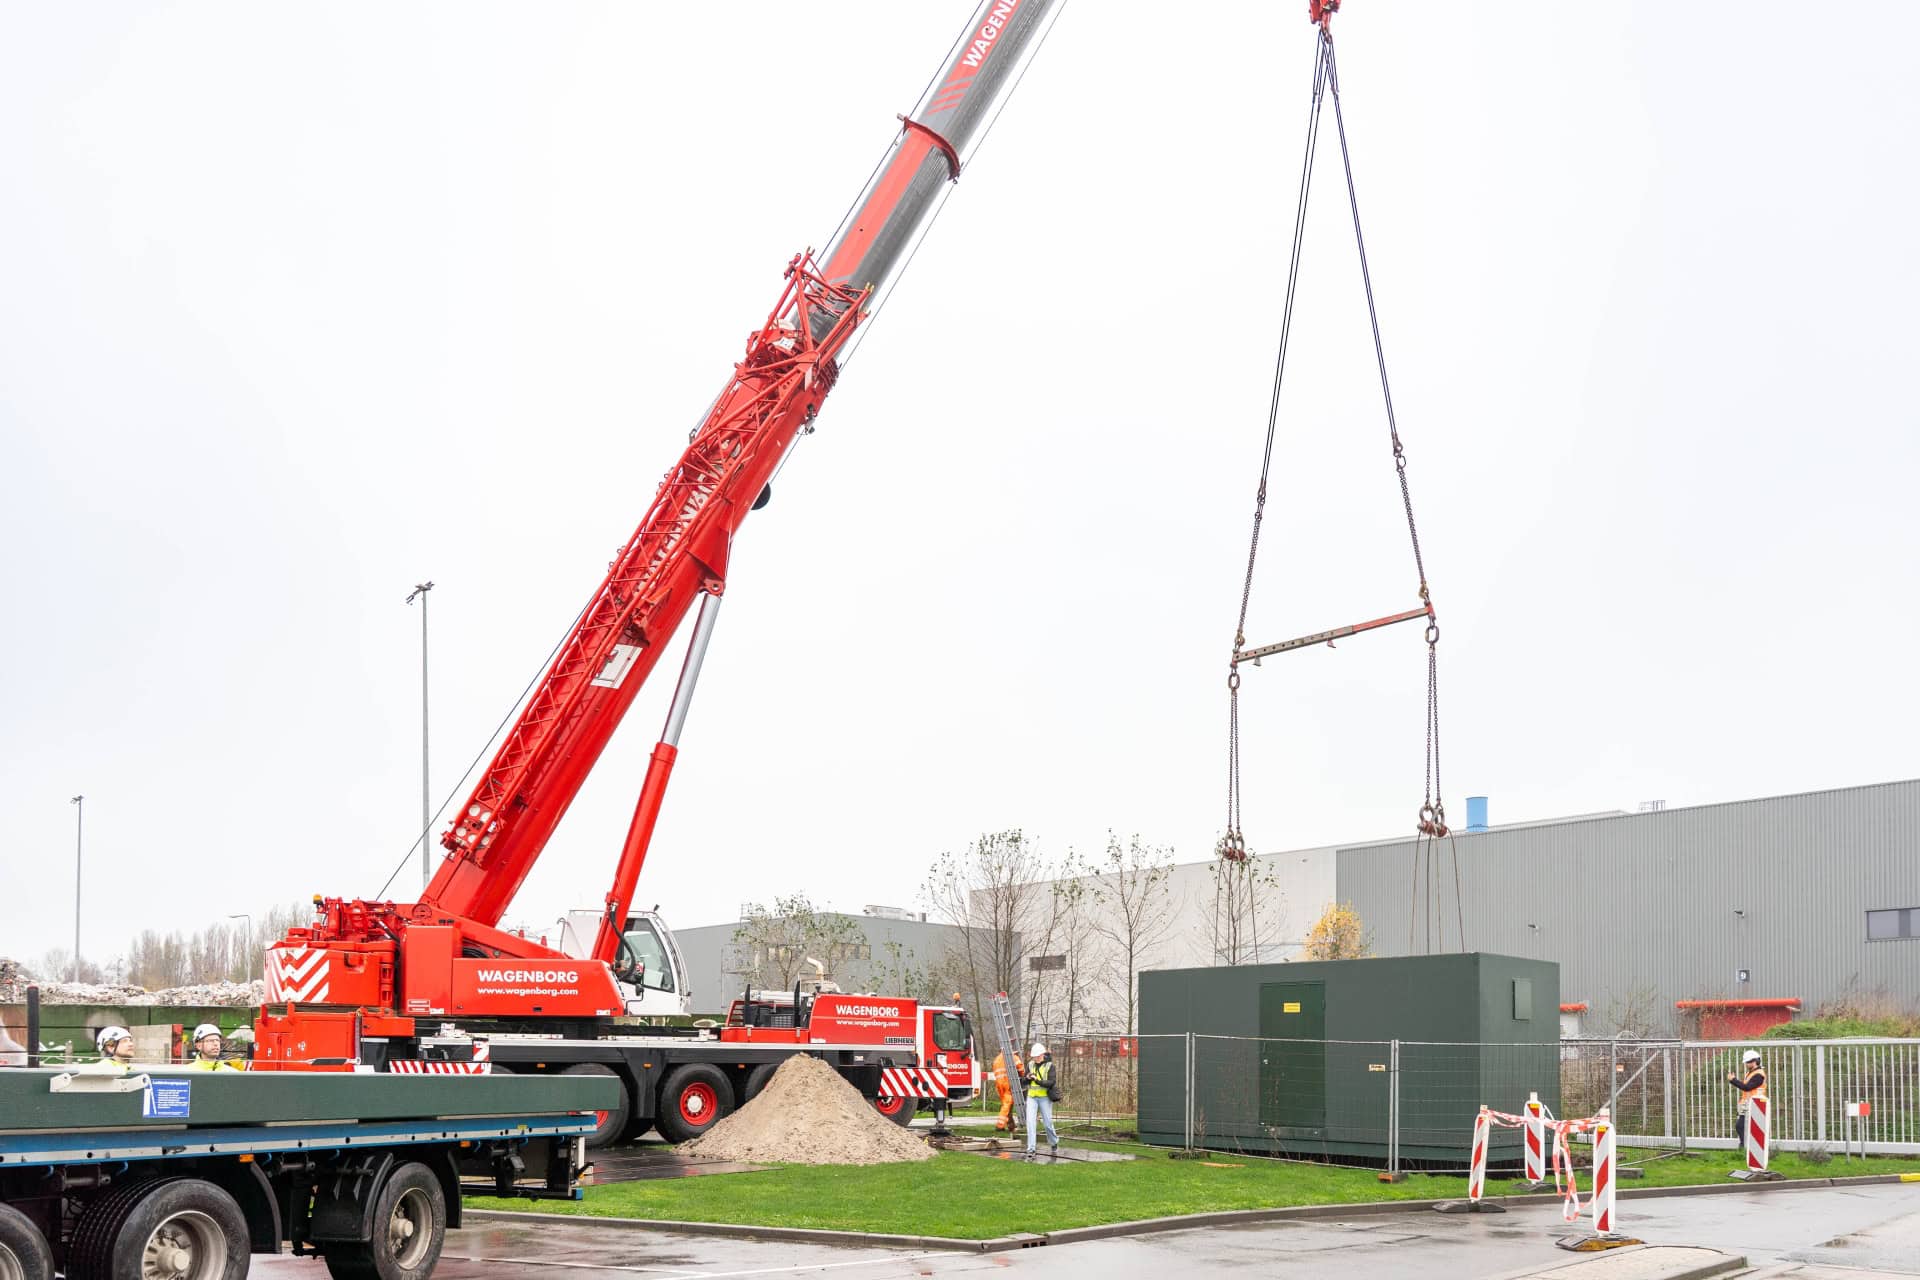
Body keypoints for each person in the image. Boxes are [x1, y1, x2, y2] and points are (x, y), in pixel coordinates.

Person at [1020, 1041, 1060, 1160]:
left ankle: (1054, 1142)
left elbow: (1051, 1082)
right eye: (1034, 1056)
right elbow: (1023, 1081)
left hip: (1044, 1098)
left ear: (1042, 1054)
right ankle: (1031, 1149)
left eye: (1037, 1056)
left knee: (1048, 1123)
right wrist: (1027, 1078)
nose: (1035, 1058)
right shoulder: (1030, 1064)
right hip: (1032, 1097)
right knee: (1030, 1123)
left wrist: (1037, 1080)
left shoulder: (1050, 1066)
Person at [1725, 1048, 1767, 1148]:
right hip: (1748, 1104)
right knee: (1741, 1126)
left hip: (1756, 1104)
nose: (1746, 1064)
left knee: (1742, 1126)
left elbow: (1747, 1087)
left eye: (1748, 1062)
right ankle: (1745, 1146)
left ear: (1754, 1061)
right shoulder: (1751, 1073)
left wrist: (1733, 1080)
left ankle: (1745, 1146)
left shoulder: (1759, 1075)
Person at [990, 1050, 1025, 1133]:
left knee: (1006, 1105)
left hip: (999, 1084)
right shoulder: (1013, 1057)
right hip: (1008, 1083)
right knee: (1007, 1105)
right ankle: (1000, 1125)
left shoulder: (997, 1059)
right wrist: (1023, 1076)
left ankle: (1011, 1126)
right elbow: (1021, 1068)